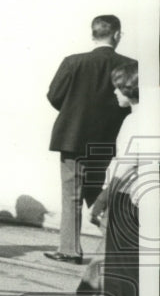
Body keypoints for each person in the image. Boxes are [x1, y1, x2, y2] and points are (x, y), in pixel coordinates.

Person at [45, 15, 136, 264]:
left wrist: (74, 111)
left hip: (71, 138)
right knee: (95, 190)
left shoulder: (73, 62)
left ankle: (70, 249)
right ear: (116, 35)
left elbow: (54, 96)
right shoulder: (129, 64)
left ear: (92, 34)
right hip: (106, 138)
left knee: (72, 194)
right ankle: (121, 239)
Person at [89, 64, 144, 296]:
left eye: (118, 87)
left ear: (131, 90)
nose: (114, 92)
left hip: (128, 198)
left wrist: (102, 199)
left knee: (121, 270)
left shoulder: (136, 121)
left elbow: (124, 166)